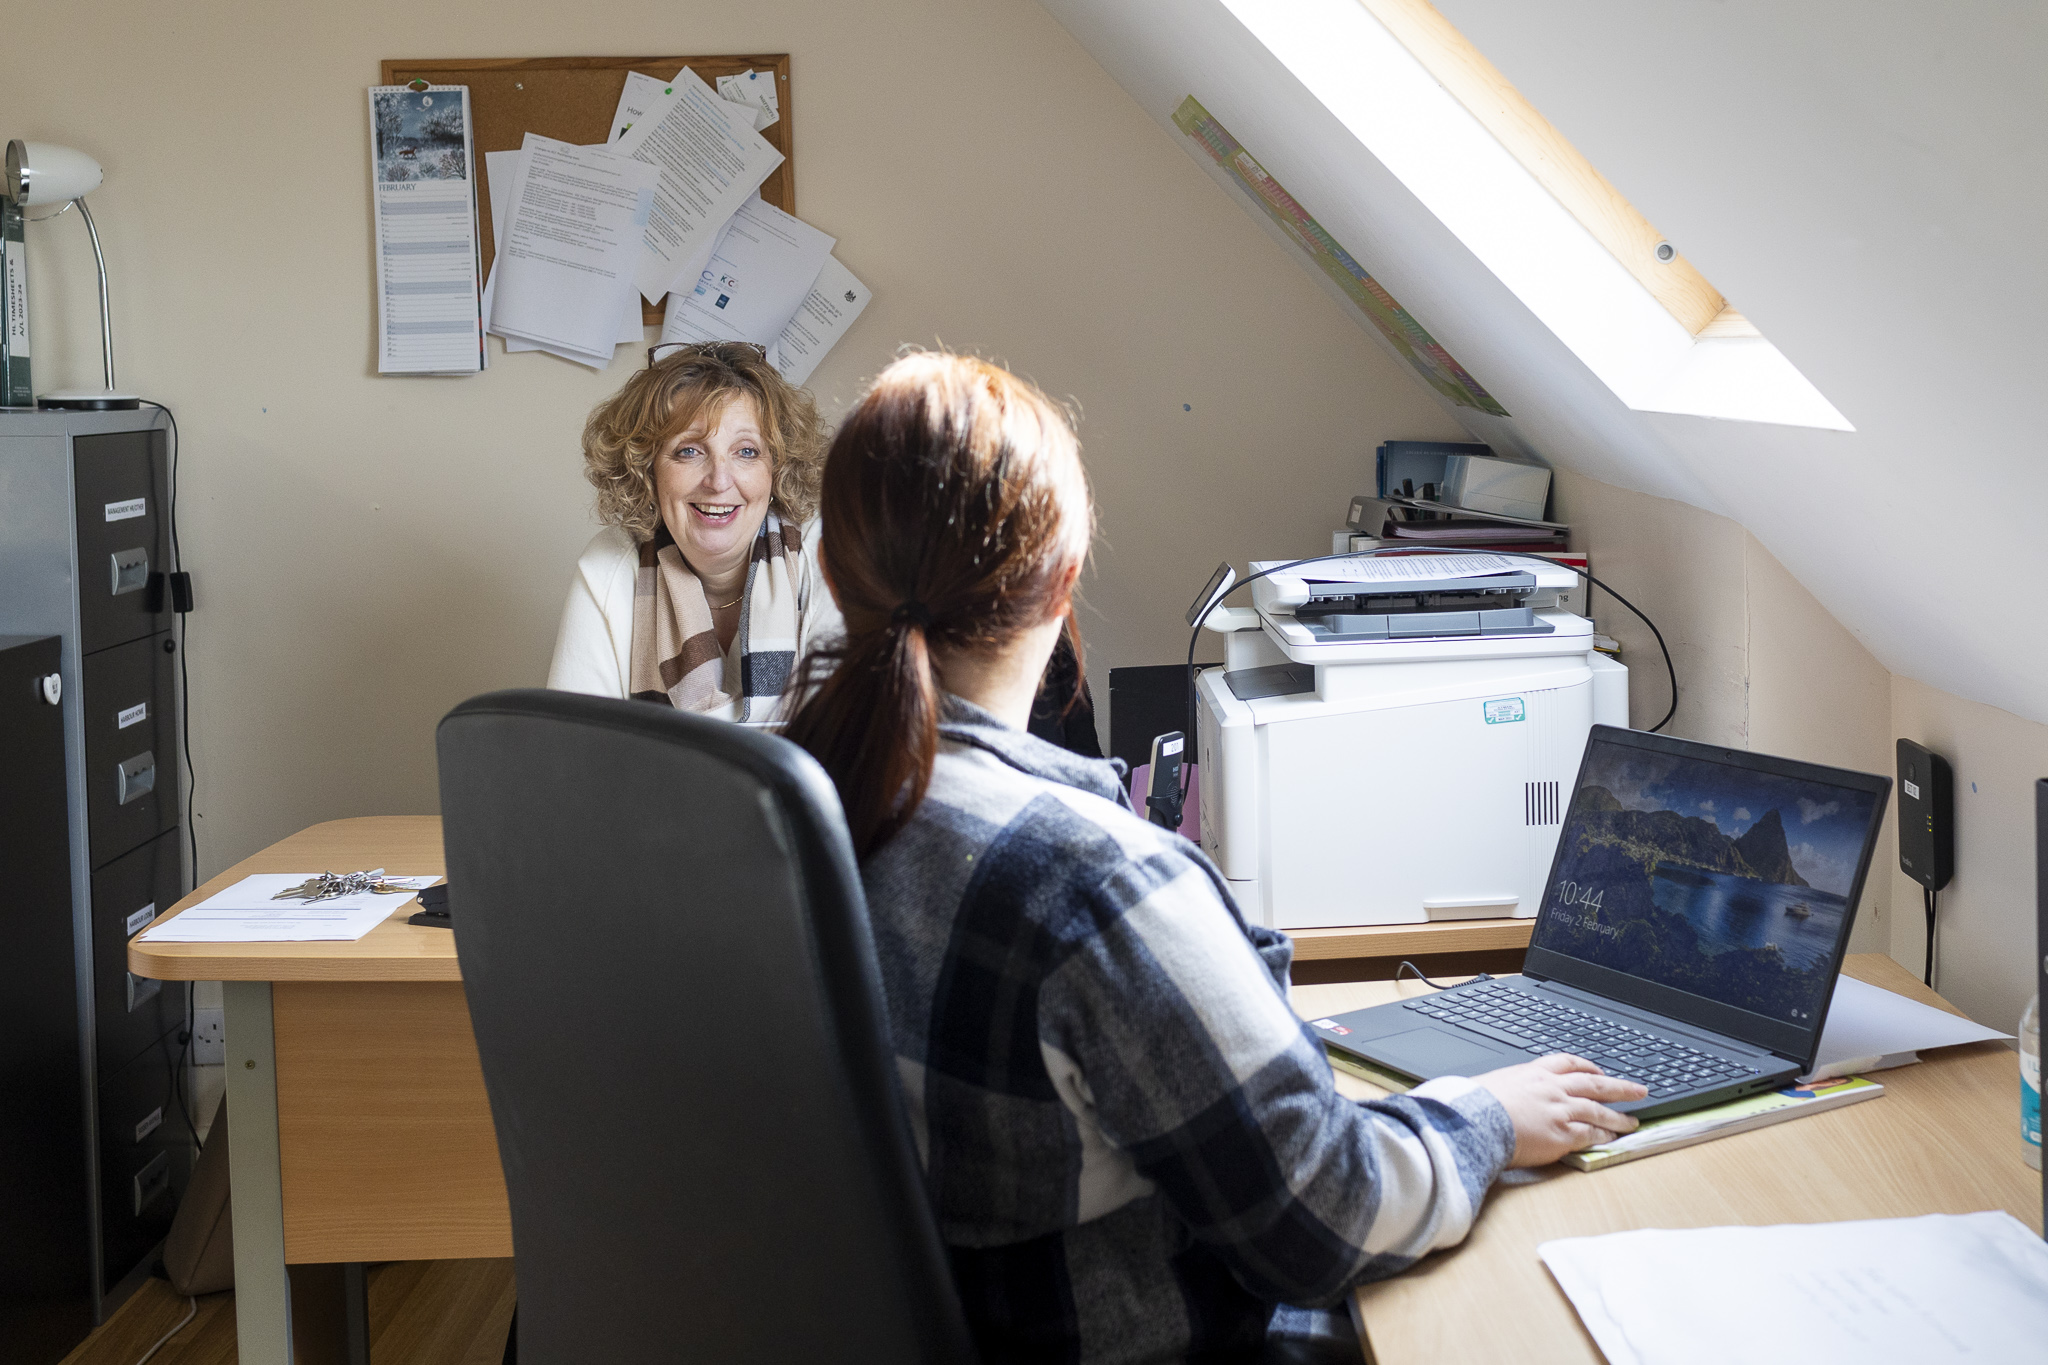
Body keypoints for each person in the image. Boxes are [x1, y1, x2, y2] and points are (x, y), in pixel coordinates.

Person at [782, 353, 1646, 1365]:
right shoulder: (1091, 884)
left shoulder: (778, 807)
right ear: (1061, 587)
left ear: (835, 575)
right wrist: (1485, 1113)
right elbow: (1323, 1220)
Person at [547, 341, 841, 720]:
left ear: (777, 469)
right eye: (689, 450)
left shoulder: (826, 556)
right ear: (647, 470)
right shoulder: (610, 566)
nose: (719, 481)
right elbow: (576, 753)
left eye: (747, 451)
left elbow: (854, 749)